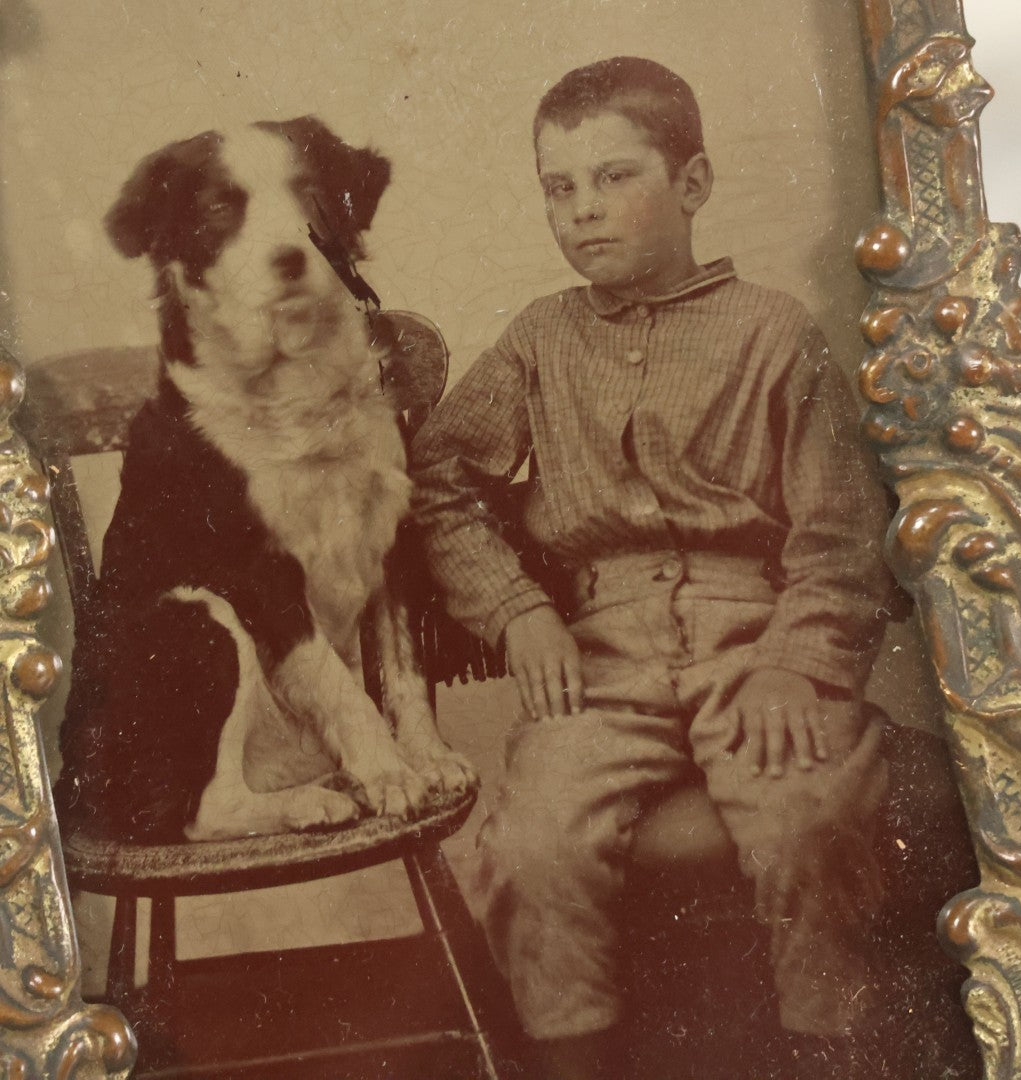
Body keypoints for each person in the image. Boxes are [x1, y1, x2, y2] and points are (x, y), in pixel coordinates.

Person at [409, 56, 894, 1080]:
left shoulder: (775, 333)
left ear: (695, 184)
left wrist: (795, 662)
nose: (582, 212)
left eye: (614, 177)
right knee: (534, 845)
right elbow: (437, 482)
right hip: (601, 653)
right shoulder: (541, 339)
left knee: (808, 818)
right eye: (558, 187)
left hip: (754, 634)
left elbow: (840, 531)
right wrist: (516, 611)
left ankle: (829, 1056)